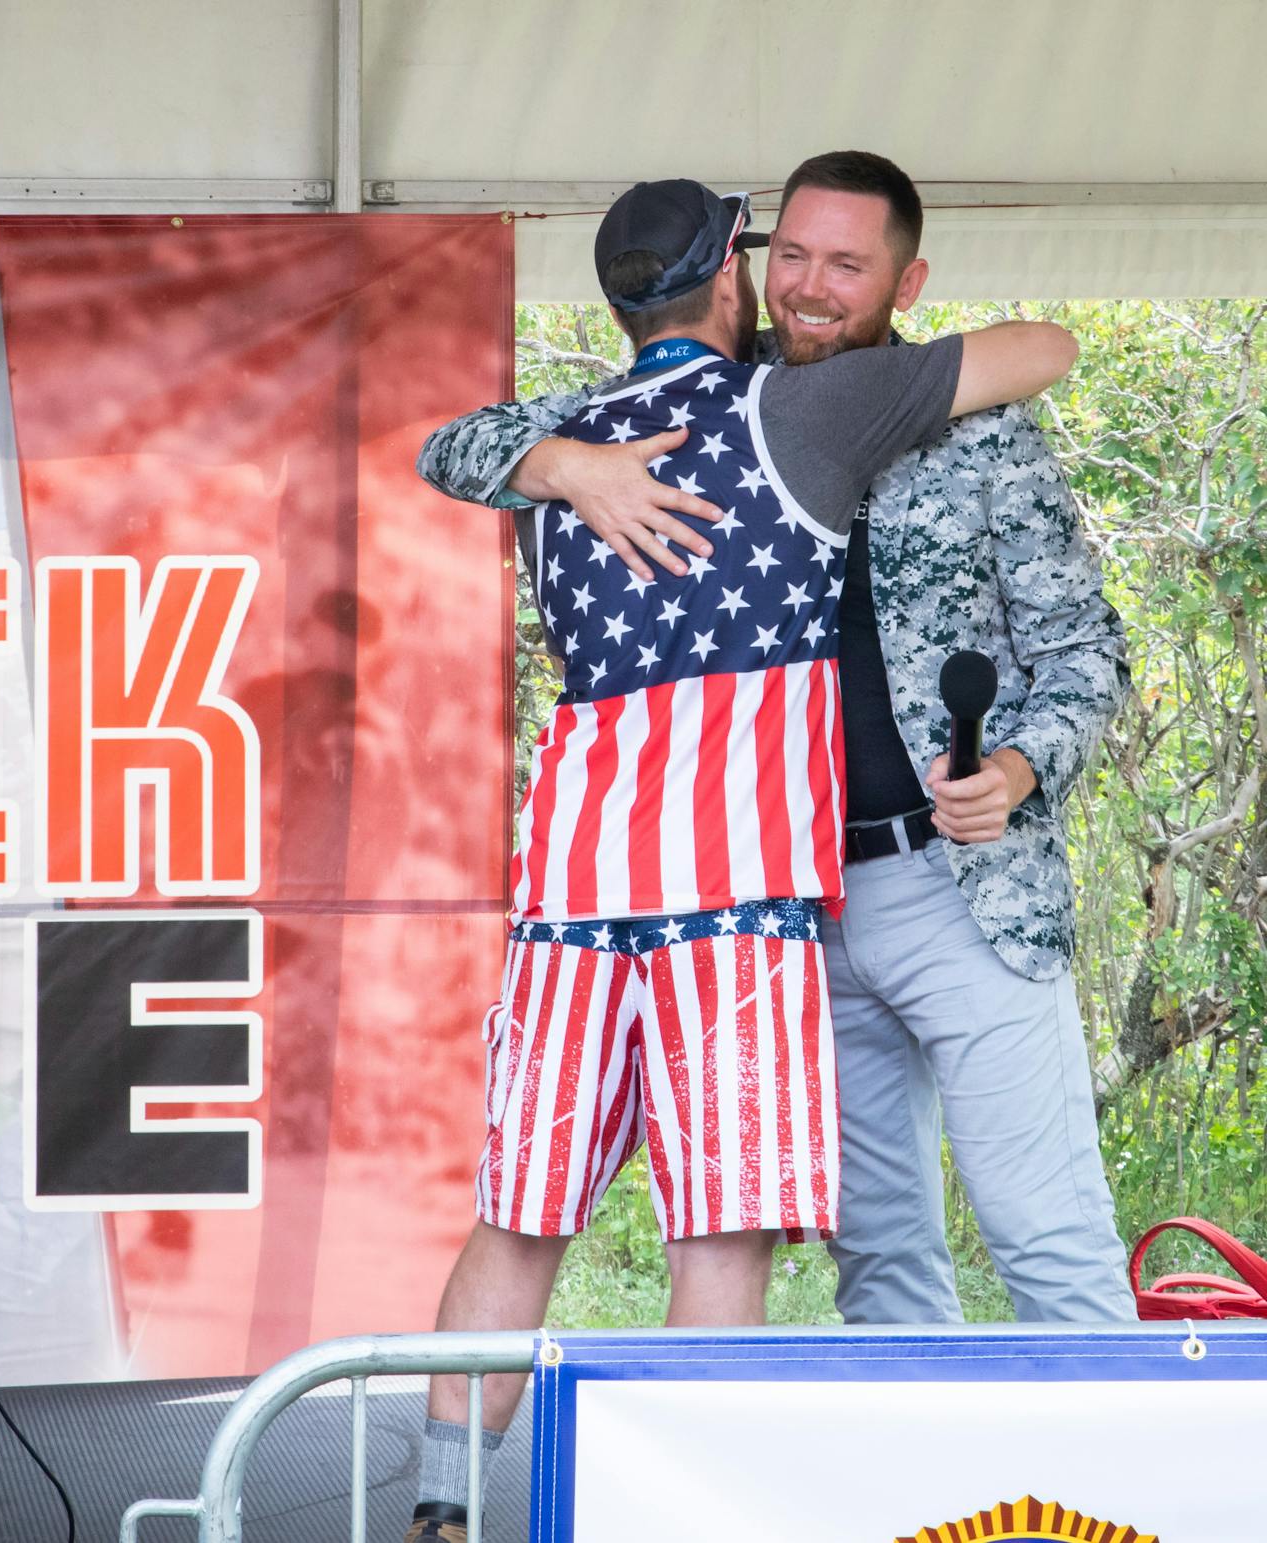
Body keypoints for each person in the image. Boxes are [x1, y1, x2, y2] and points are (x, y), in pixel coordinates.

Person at [399, 179, 1080, 1543]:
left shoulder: (557, 444)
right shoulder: (801, 414)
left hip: (573, 889)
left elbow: (442, 448)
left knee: (519, 1215)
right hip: (743, 897)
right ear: (730, 286)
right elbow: (1041, 348)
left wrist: (568, 460)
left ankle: (437, 1508)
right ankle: (673, 1517)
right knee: (725, 1225)